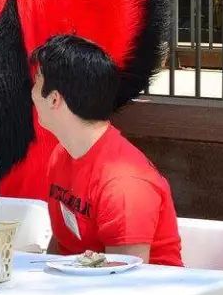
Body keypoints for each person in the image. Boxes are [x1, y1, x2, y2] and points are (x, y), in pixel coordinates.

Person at [30, 34, 183, 266]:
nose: (31, 92)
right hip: (77, 287)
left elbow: (124, 283)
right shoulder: (62, 155)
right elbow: (62, 251)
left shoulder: (123, 184)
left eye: (36, 80)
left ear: (54, 99)